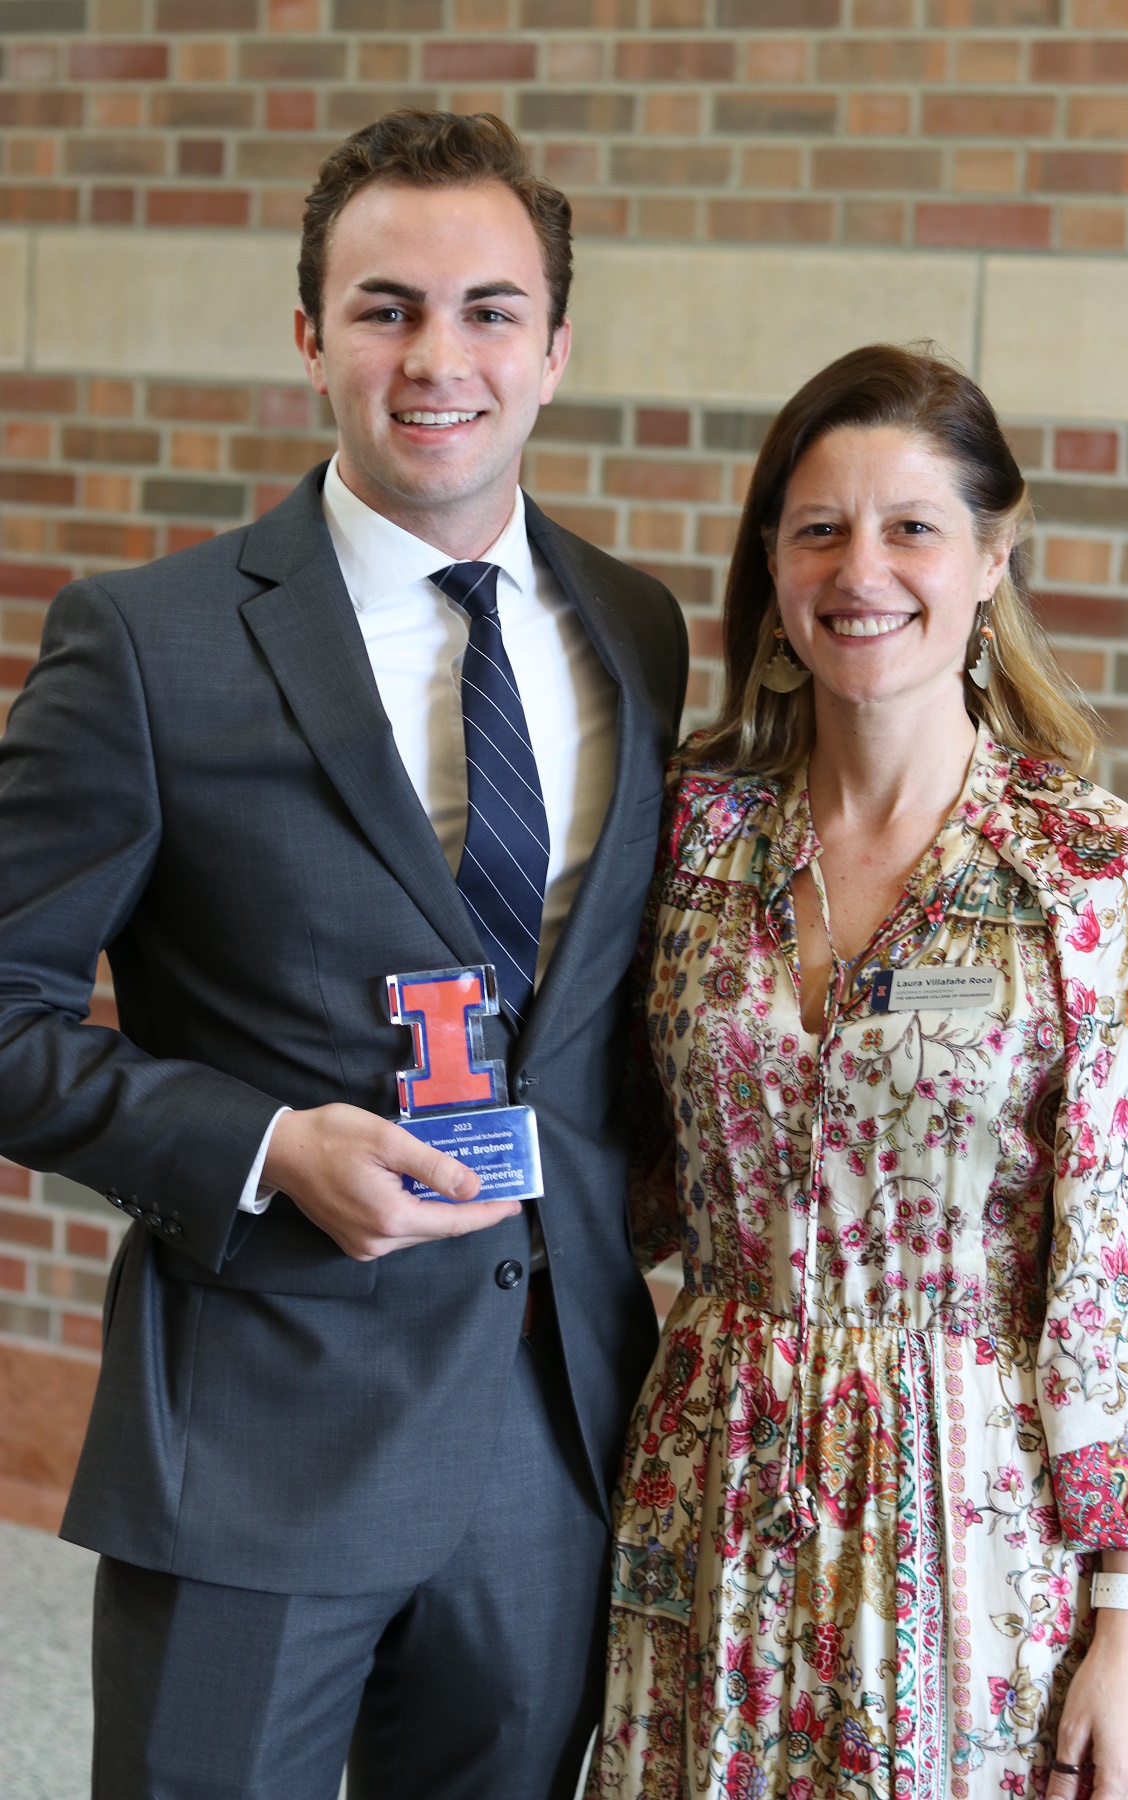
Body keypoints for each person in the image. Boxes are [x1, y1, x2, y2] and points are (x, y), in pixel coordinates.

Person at [0, 111, 687, 1799]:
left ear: (555, 349)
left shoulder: (636, 627)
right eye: (385, 308)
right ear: (310, 337)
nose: (436, 356)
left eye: (487, 311)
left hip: (548, 1440)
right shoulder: (146, 645)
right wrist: (258, 1146)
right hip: (258, 1431)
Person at [586, 344, 1128, 1800]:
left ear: (993, 555)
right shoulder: (687, 841)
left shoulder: (1091, 874)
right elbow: (615, 1168)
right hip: (710, 1475)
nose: (864, 568)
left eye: (912, 525)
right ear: (775, 569)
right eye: (820, 528)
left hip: (971, 1520)